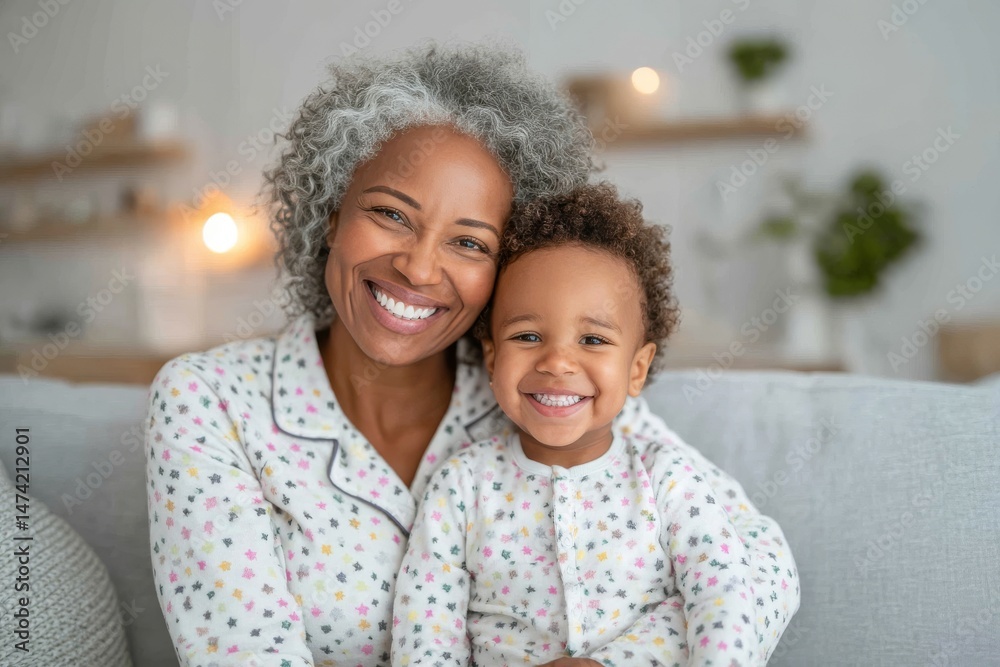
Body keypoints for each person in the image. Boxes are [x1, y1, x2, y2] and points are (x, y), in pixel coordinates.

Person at [144, 42, 798, 667]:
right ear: (329, 212)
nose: (419, 267)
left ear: (508, 272)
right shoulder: (210, 402)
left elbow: (758, 566)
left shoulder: (545, 392)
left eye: (470, 243)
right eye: (391, 214)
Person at [391, 184, 793, 666]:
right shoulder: (460, 487)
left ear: (637, 370)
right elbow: (425, 634)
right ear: (492, 360)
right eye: (528, 335)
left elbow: (723, 598)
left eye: (593, 339)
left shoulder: (669, 479)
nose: (558, 361)